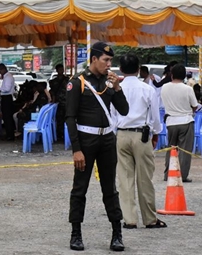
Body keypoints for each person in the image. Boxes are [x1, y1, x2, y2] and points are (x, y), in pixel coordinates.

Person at [66, 42, 129, 252]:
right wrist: (76, 149)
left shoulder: (109, 83)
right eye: (106, 60)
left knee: (110, 188)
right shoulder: (78, 82)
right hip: (86, 141)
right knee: (80, 188)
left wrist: (118, 88)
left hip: (107, 141)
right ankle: (76, 233)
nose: (109, 65)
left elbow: (124, 110)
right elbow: (70, 117)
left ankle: (117, 234)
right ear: (94, 59)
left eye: (110, 60)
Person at [116, 53, 166, 230]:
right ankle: (149, 219)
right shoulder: (147, 89)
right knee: (145, 178)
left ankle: (129, 219)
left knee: (125, 177)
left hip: (121, 134)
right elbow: (154, 115)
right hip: (142, 134)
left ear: (121, 69)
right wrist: (156, 133)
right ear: (139, 69)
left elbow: (112, 115)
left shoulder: (116, 88)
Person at [160, 64, 199, 183]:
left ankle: (168, 173)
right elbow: (195, 106)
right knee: (185, 150)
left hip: (170, 122)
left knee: (171, 149)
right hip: (185, 121)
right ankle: (182, 175)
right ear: (184, 76)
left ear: (171, 75)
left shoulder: (164, 87)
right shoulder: (187, 88)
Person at [49, 63, 69, 141]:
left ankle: (65, 134)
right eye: (60, 69)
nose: (61, 71)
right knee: (58, 119)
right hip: (57, 102)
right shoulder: (53, 81)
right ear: (57, 70)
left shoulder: (67, 80)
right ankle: (59, 134)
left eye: (62, 69)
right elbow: (52, 92)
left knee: (66, 118)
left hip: (66, 102)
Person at [0, 63, 16, 141]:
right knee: (6, 117)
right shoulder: (6, 77)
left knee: (7, 117)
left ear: (3, 69)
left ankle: (10, 135)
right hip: (5, 97)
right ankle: (9, 134)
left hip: (7, 97)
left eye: (0, 71)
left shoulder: (8, 77)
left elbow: (7, 89)